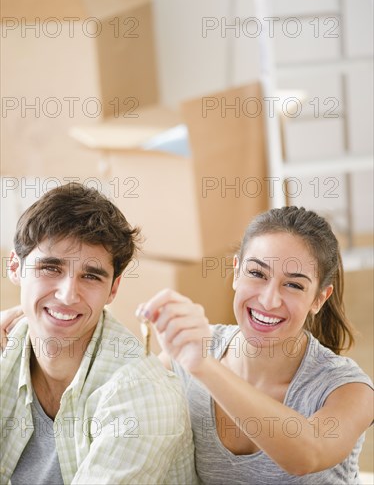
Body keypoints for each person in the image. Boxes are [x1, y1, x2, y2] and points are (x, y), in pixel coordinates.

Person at [137, 206, 373, 484]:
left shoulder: (349, 389)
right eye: (257, 274)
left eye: (294, 286)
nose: (269, 300)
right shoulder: (187, 357)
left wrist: (203, 366)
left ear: (319, 299)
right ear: (236, 272)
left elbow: (307, 455)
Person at [0, 183, 197, 485]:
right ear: (16, 267)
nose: (67, 295)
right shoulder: (8, 349)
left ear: (113, 289)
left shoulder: (142, 395)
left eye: (90, 276)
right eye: (51, 268)